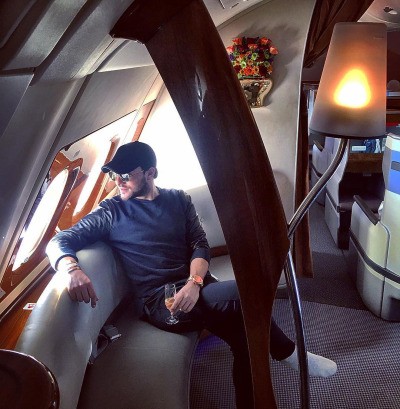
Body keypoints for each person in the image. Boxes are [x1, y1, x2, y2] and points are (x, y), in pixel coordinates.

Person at [46, 141, 337, 409]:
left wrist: (194, 283)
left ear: (150, 173)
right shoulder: (111, 212)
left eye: (125, 175)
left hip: (197, 287)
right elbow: (59, 240)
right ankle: (289, 353)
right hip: (162, 302)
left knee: (246, 340)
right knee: (245, 293)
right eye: (113, 176)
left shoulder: (178, 200)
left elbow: (200, 244)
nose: (117, 182)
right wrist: (72, 269)